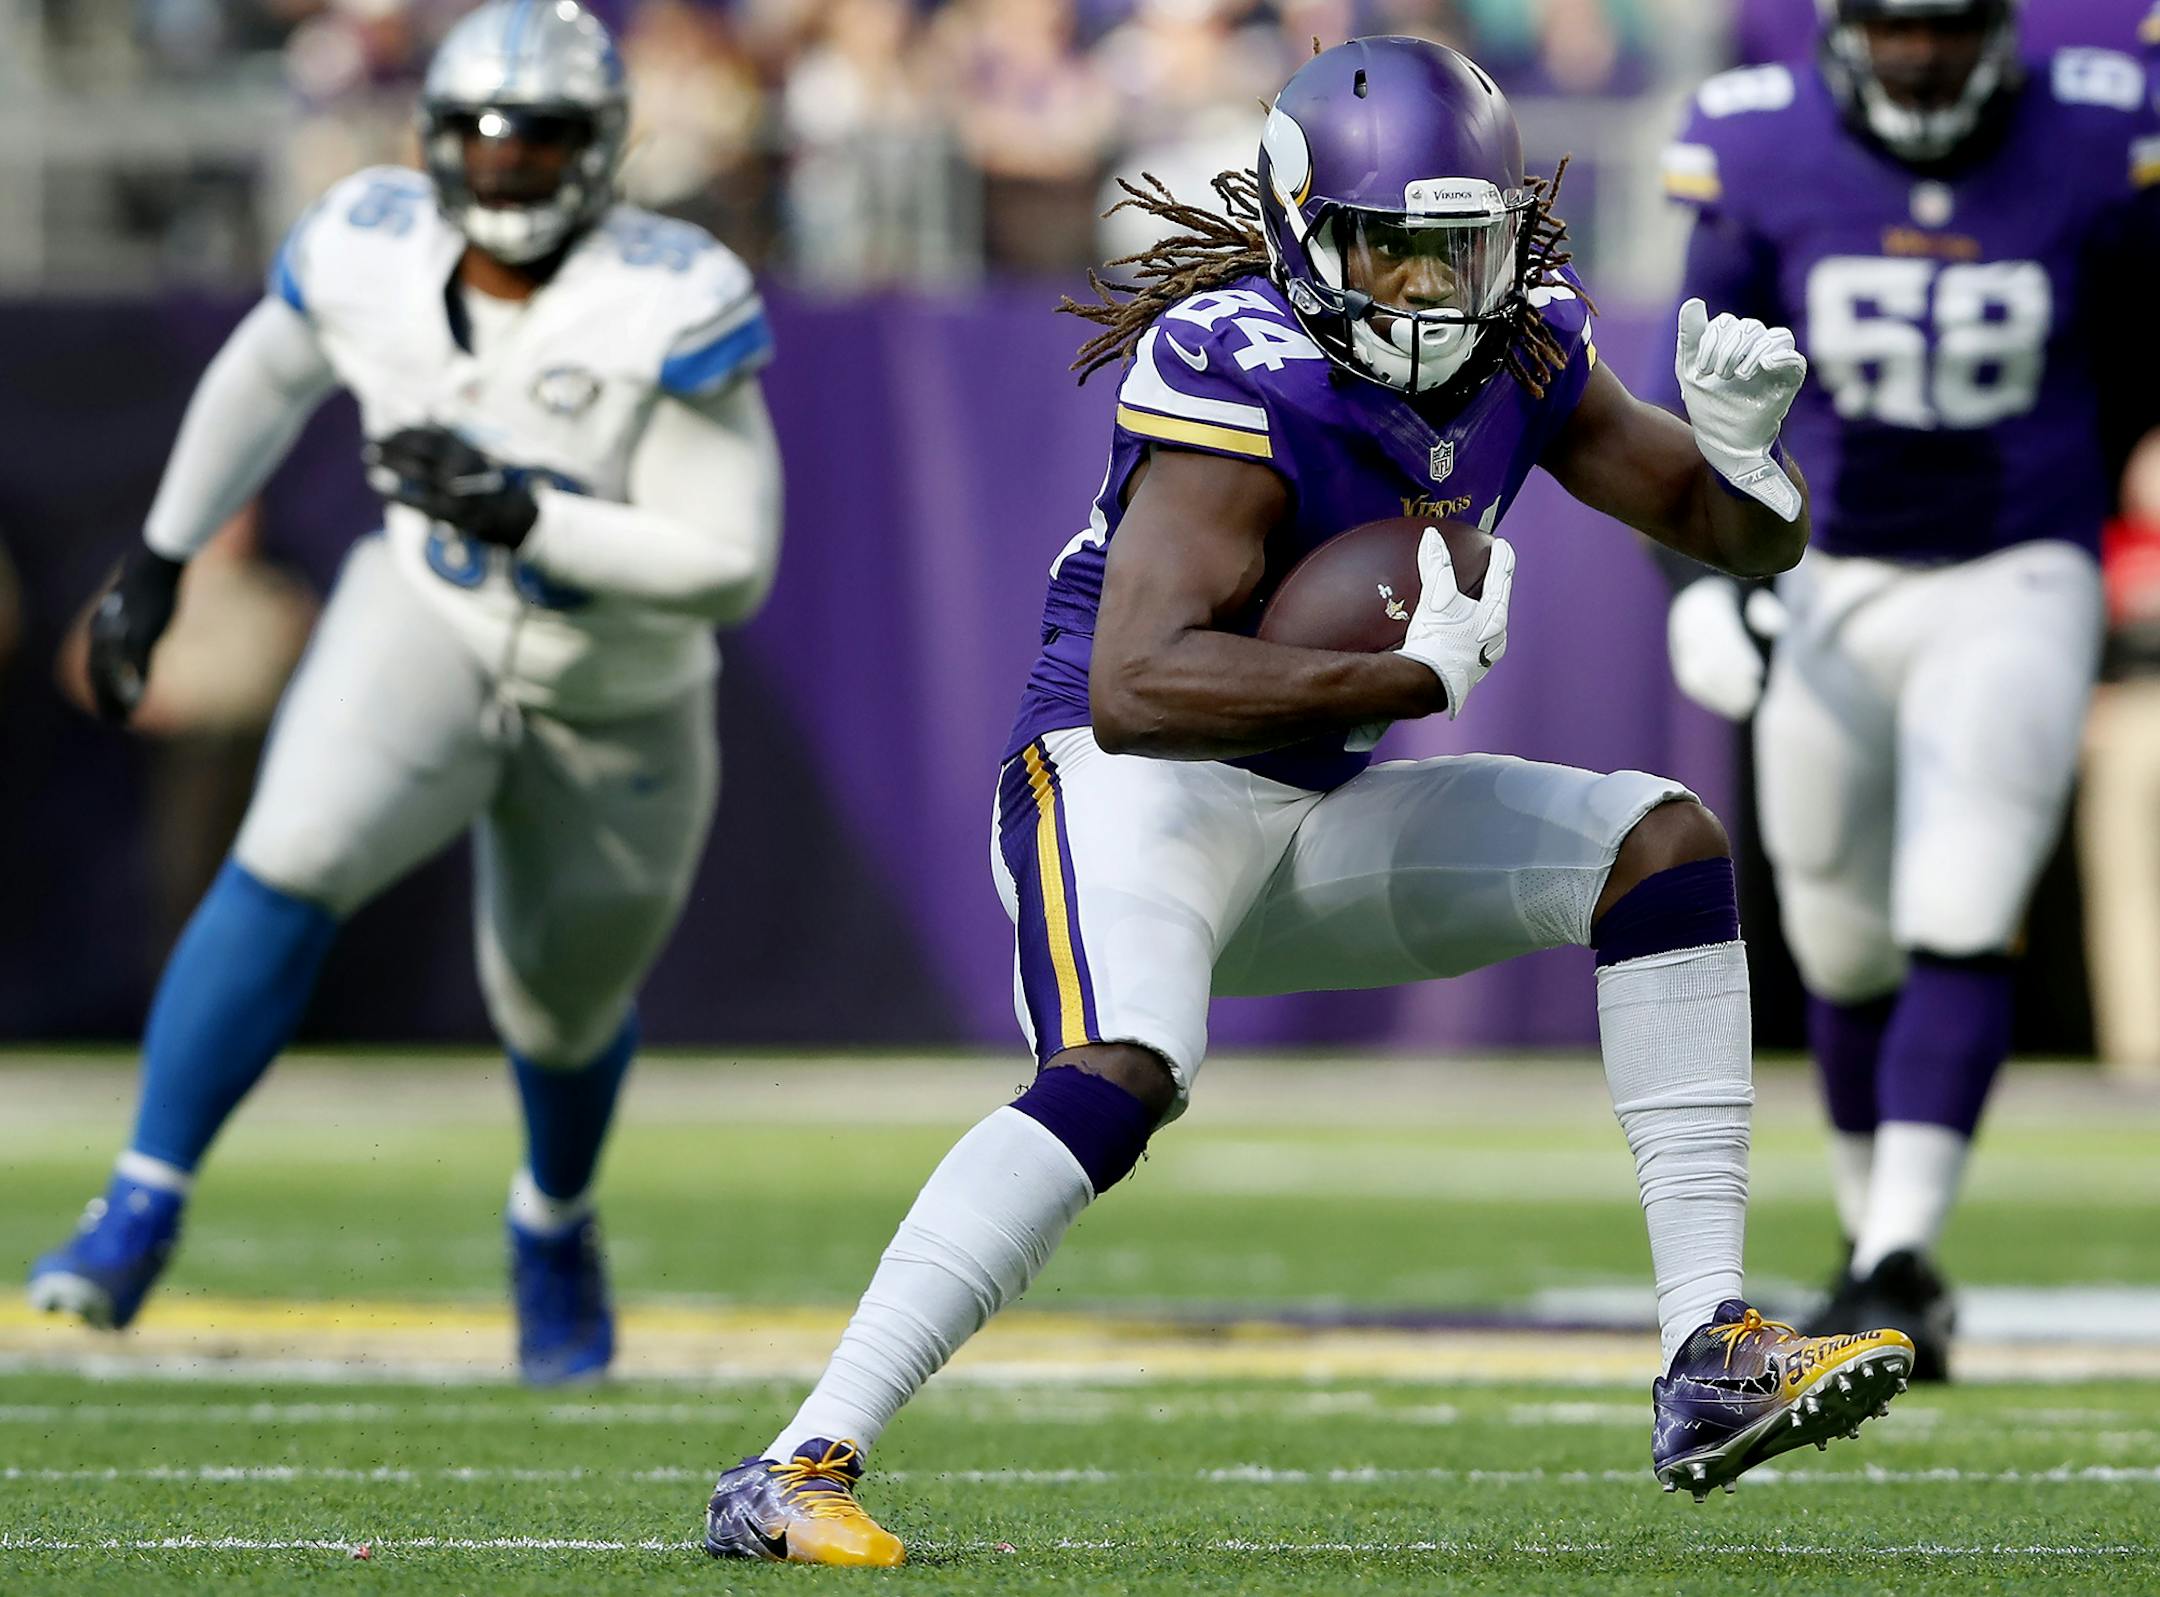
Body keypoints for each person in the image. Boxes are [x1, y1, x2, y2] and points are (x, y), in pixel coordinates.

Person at [700, 36, 1914, 1567]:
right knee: (1126, 1061)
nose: (1426, 290)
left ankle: (1707, 1350)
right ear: (1299, 231)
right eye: (1387, 251)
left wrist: (1758, 471)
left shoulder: (1527, 342)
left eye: (1456, 247)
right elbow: (1141, 683)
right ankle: (797, 1455)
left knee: (1657, 844)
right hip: (1124, 787)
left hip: (1306, 815)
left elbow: (1731, 532)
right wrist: (1401, 684)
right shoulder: (1233, 359)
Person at [27, 0, 783, 1386]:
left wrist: (530, 521)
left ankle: (551, 1220)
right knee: (291, 854)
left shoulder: (665, 293)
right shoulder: (368, 243)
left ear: (601, 150)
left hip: (616, 685)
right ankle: (139, 1199)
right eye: (483, 142)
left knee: (558, 1004)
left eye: (539, 143)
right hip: (424, 617)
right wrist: (161, 554)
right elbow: (264, 371)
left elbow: (732, 565)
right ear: (434, 143)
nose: (506, 170)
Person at [1656, 0, 2160, 1379]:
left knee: (1961, 899)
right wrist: (1697, 578)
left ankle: (1900, 1253)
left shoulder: (2102, 128)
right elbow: (1685, 380)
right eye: (1894, 26)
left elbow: (2136, 344)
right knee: (1835, 930)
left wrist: (2088, 491)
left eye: (1943, 27)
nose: (1920, 55)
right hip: (1823, 566)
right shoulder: (1762, 143)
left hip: (2016, 563)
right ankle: (1873, 1229)